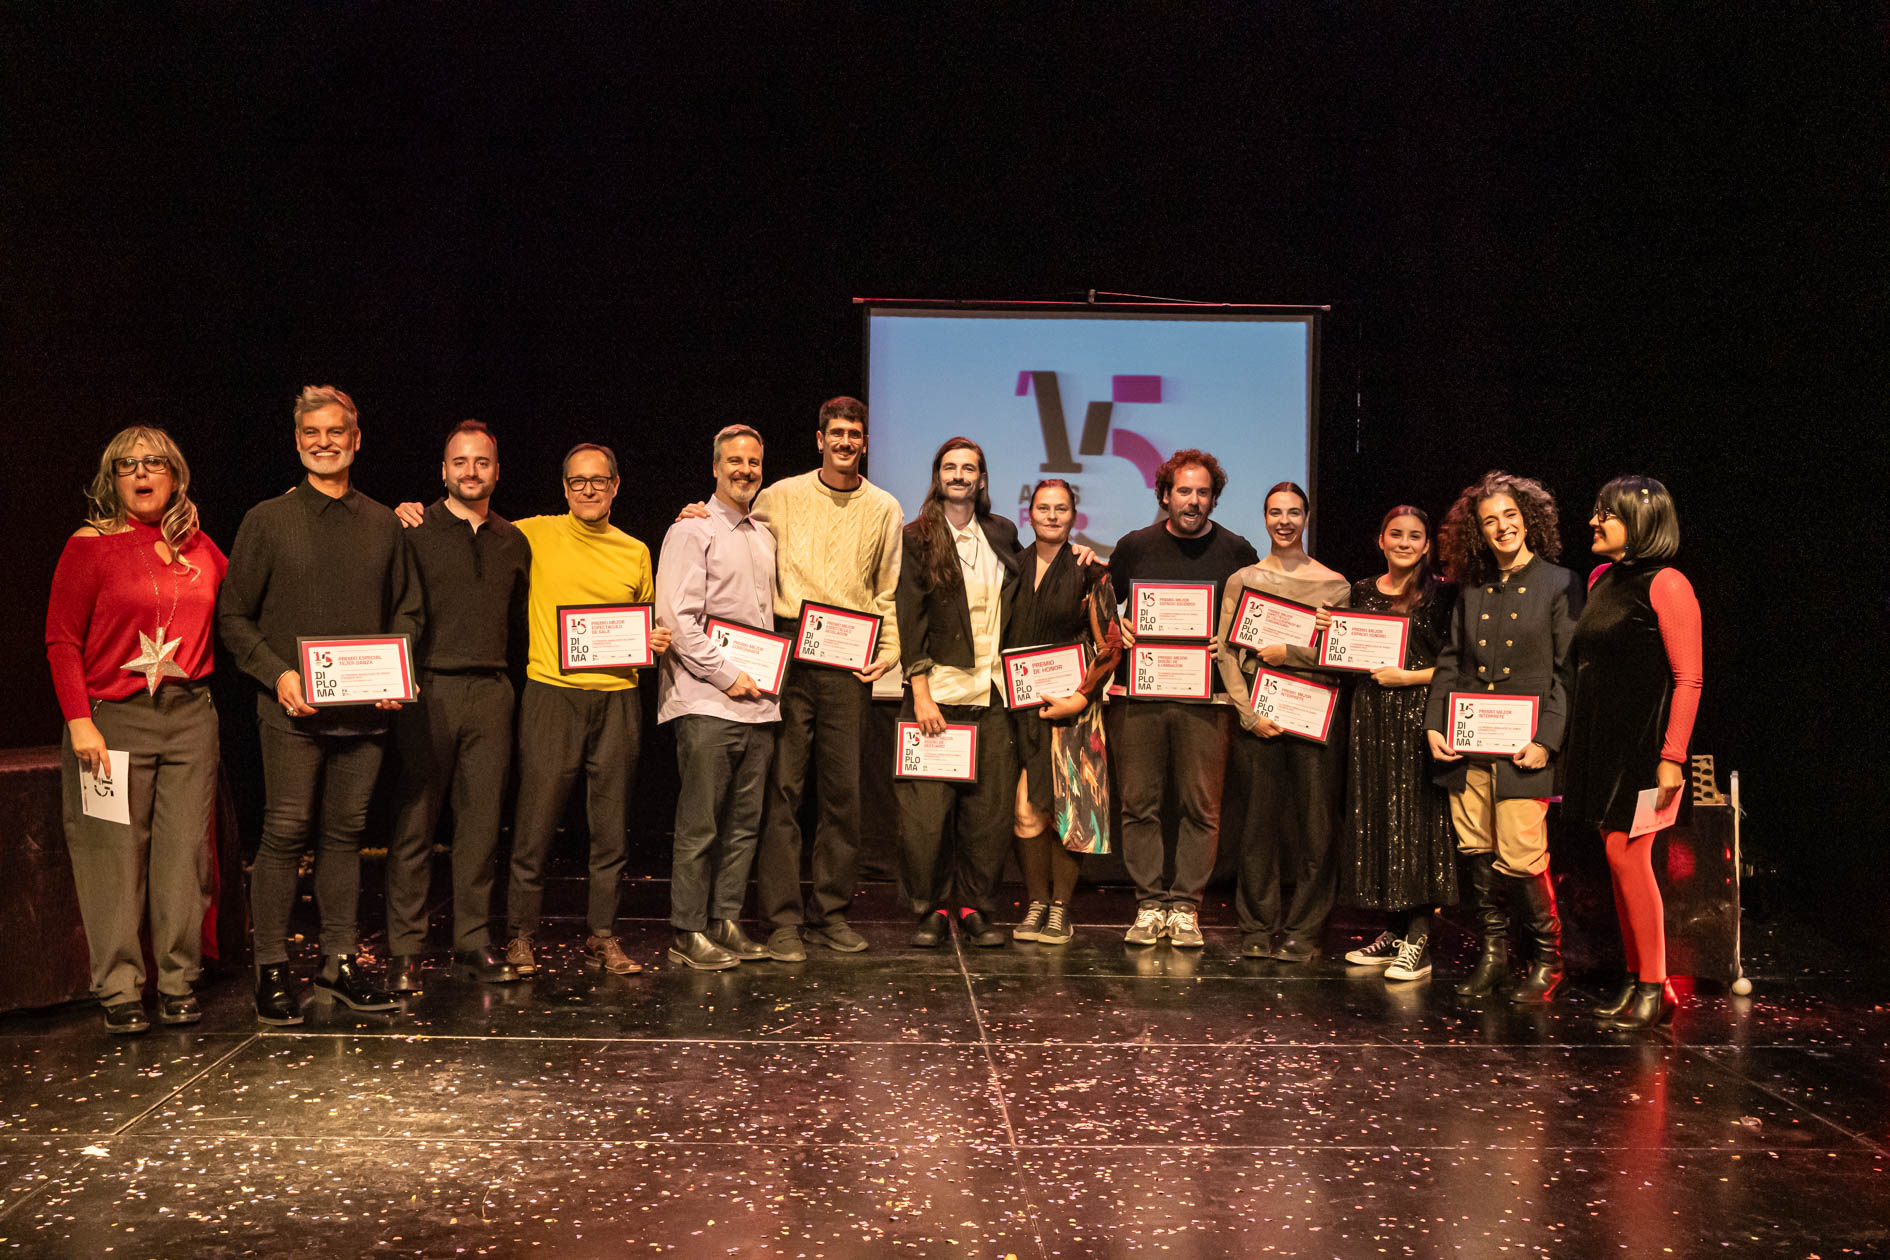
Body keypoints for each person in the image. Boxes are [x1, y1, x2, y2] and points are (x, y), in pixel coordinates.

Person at [218, 386, 420, 1024]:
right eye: (313, 433)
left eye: (337, 432)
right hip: (292, 712)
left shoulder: (384, 523)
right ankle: (271, 969)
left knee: (346, 836)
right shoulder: (266, 520)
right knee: (283, 833)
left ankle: (337, 965)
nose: (325, 442)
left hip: (364, 715)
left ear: (356, 440)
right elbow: (233, 616)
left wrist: (399, 672)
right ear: (298, 440)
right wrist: (277, 675)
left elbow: (407, 610)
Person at [46, 427, 226, 1034]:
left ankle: (179, 982)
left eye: (154, 463)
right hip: (113, 720)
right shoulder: (90, 545)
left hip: (189, 719)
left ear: (175, 474)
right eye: (128, 466)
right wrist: (79, 721)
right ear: (112, 479)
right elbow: (61, 640)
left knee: (184, 857)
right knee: (113, 856)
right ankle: (120, 987)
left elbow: (254, 594)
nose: (142, 474)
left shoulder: (201, 548)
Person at [503, 443, 671, 977]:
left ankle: (602, 935)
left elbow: (644, 622)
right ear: (565, 489)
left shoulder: (636, 550)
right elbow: (471, 523)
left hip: (618, 698)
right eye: (578, 482)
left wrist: (654, 640)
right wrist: (414, 512)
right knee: (535, 823)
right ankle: (521, 936)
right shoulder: (533, 533)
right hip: (552, 694)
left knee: (611, 828)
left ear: (616, 485)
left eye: (599, 481)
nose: (589, 490)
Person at [747, 398, 903, 961]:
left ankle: (830, 913)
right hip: (789, 651)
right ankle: (784, 920)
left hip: (847, 659)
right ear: (819, 439)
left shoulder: (885, 507)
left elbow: (887, 590)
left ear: (864, 442)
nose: (844, 441)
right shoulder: (780, 496)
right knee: (783, 791)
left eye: (854, 434)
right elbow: (738, 538)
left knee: (843, 795)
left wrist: (889, 652)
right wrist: (700, 514)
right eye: (835, 432)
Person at [383, 421, 530, 991]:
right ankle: (405, 949)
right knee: (416, 822)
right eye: (460, 462)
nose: (471, 472)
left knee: (481, 825)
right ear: (443, 471)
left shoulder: (514, 540)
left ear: (497, 470)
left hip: (492, 691)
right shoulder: (412, 530)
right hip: (428, 689)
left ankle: (472, 942)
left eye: (483, 462)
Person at [1425, 471, 1582, 1003]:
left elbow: (1566, 672)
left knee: (1521, 854)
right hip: (1470, 743)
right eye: (1490, 521)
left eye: (1510, 516)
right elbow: (1451, 663)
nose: (1502, 527)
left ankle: (1547, 962)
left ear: (1528, 520)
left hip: (1524, 747)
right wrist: (1435, 724)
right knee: (1477, 848)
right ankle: (1493, 956)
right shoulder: (1470, 589)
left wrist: (1547, 739)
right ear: (1479, 531)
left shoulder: (1559, 583)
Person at [1563, 476, 1701, 1030]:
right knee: (1615, 859)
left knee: (1630, 858)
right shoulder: (1603, 577)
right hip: (1603, 742)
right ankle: (1637, 979)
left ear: (1641, 524)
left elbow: (1688, 678)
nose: (1595, 521)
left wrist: (1673, 756)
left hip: (1645, 746)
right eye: (1597, 511)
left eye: (1608, 514)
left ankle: (1654, 984)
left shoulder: (1668, 584)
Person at [1107, 449, 1259, 947]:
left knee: (1202, 808)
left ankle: (1186, 907)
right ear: (1165, 495)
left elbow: (1252, 619)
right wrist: (1119, 629)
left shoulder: (1238, 552)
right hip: (1139, 696)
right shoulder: (1133, 547)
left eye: (1202, 492)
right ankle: (1150, 904)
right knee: (1139, 804)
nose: (1193, 501)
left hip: (1208, 700)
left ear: (1214, 497)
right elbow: (1108, 614)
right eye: (1183, 491)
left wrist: (1233, 641)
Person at [654, 425, 779, 971]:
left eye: (753, 461)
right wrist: (728, 675)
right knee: (701, 823)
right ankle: (687, 930)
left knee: (743, 824)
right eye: (734, 461)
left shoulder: (764, 534)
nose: (744, 470)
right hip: (707, 701)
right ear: (714, 468)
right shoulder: (691, 530)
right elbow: (676, 622)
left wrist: (752, 683)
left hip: (759, 705)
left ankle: (725, 920)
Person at [1216, 482, 1351, 962]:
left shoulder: (1335, 585)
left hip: (1316, 717)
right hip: (1260, 716)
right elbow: (1226, 653)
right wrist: (1247, 714)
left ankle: (1306, 931)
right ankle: (1256, 925)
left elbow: (1343, 656)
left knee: (1316, 829)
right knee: (1256, 827)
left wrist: (1294, 650)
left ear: (1308, 517)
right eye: (1275, 512)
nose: (1285, 521)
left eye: (1294, 512)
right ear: (1265, 517)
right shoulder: (1243, 578)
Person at [895, 438, 1021, 947]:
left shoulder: (1002, 532)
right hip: (937, 694)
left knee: (987, 815)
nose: (959, 475)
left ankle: (973, 908)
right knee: (925, 818)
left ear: (982, 479)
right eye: (950, 466)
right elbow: (910, 613)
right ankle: (927, 910)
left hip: (991, 694)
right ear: (937, 475)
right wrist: (920, 691)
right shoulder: (917, 535)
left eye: (969, 468)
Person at [1335, 506, 1459, 983]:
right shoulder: (1362, 591)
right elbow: (1344, 655)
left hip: (1418, 717)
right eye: (1396, 535)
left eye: (1415, 536)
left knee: (1417, 822)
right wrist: (1332, 633)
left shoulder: (1442, 594)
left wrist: (1407, 677)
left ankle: (1419, 941)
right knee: (1381, 820)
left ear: (1427, 545)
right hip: (1370, 718)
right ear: (1381, 540)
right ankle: (1393, 932)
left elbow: (1456, 663)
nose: (1405, 543)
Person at [1004, 480, 1121, 946]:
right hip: (1020, 708)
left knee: (1070, 814)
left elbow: (1111, 644)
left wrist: (1082, 697)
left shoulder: (1090, 572)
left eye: (1061, 509)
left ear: (1074, 516)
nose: (1052, 516)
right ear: (1028, 514)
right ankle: (1036, 904)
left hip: (1074, 707)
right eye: (1043, 508)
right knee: (1025, 813)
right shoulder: (1010, 567)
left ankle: (1060, 910)